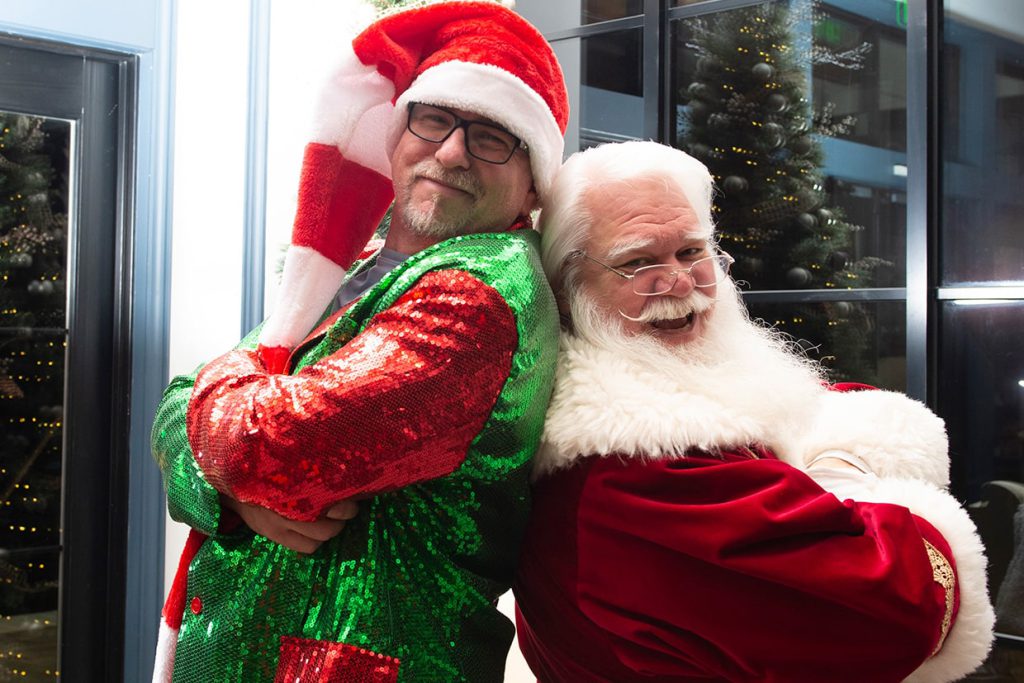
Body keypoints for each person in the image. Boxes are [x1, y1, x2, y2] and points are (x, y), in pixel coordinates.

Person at [151, 2, 569, 681]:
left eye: (493, 136)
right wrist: (232, 494)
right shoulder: (357, 263)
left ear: (532, 178)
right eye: (435, 118)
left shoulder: (480, 294)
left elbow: (272, 442)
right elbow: (181, 401)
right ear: (396, 130)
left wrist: (237, 442)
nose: (452, 150)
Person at [512, 140, 995, 683]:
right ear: (568, 287)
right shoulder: (634, 476)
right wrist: (848, 472)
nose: (679, 281)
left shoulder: (656, 388)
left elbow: (821, 401)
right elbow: (904, 608)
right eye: (638, 261)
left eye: (692, 251)